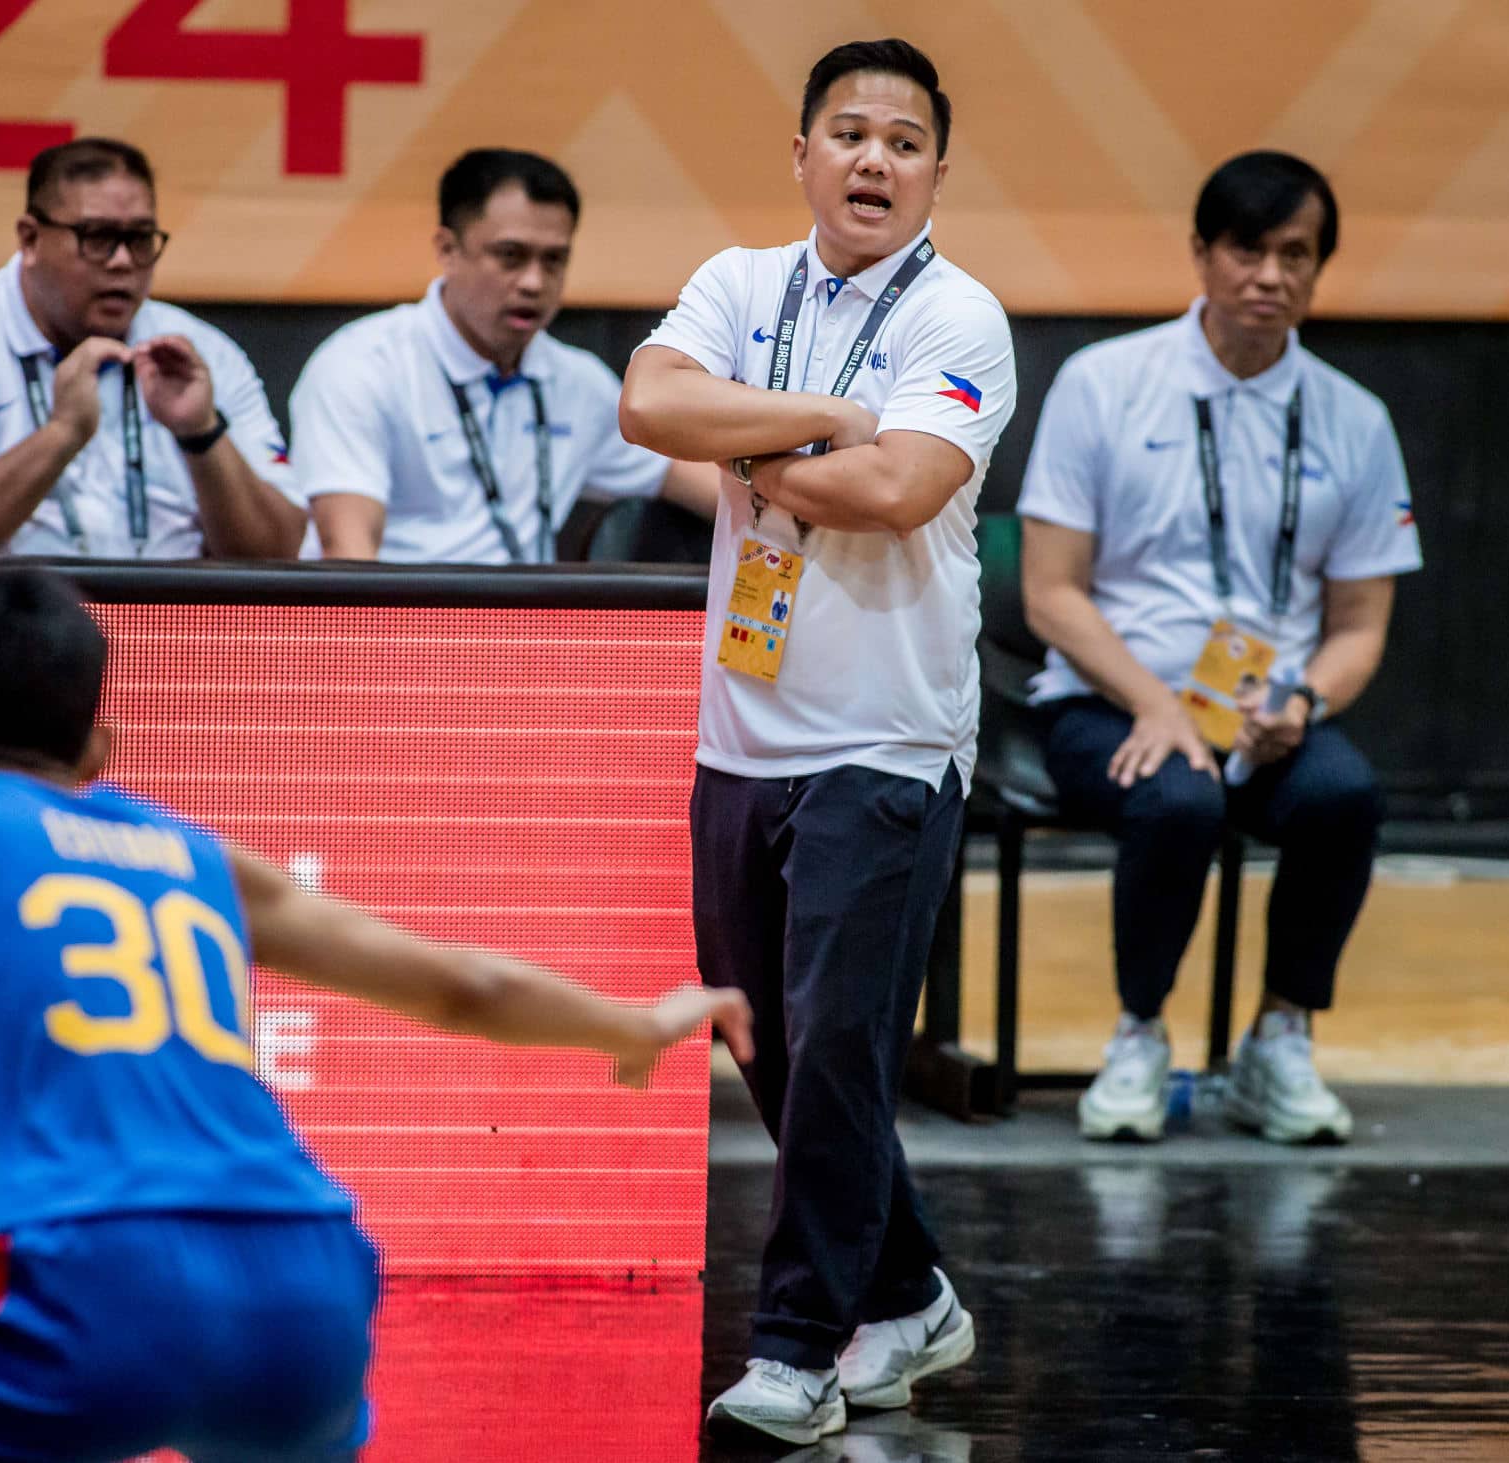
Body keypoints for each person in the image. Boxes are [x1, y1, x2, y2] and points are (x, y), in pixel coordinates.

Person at [0, 564, 750, 1461]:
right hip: (308, 1278)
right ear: (102, 739)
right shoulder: (200, 854)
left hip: (87, 1280)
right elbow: (464, 985)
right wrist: (632, 1024)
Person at [620, 38, 1015, 1447]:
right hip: (745, 730)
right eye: (848, 132)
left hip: (889, 738)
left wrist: (746, 447)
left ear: (935, 174)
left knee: (842, 1046)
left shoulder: (961, 317)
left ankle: (802, 1344)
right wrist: (819, 419)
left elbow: (900, 486)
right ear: (801, 154)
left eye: (903, 141)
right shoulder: (737, 283)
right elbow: (648, 403)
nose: (873, 159)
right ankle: (909, 1292)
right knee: (768, 1039)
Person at [1017, 150, 1422, 1146]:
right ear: (1199, 253)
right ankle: (1137, 1035)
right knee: (1176, 795)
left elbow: (1359, 626)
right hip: (1105, 699)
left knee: (1340, 796)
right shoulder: (1102, 383)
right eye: (1246, 248)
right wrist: (1153, 703)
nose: (1268, 276)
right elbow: (1049, 592)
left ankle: (1277, 1037)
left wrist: (1302, 705)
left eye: (1295, 254)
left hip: (1260, 716)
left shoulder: (1354, 421)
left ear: (1318, 269)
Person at [0, 138, 304, 560]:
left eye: (140, 239)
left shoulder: (203, 354)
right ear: (30, 239)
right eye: (98, 237)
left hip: (172, 629)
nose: (123, 261)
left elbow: (280, 553)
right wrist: (61, 435)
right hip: (3, 632)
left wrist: (202, 434)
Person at [289, 148, 717, 563]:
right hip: (396, 625)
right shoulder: (360, 366)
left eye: (554, 260)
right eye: (510, 256)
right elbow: (348, 557)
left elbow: (707, 486)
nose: (533, 282)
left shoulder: (577, 382)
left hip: (524, 628)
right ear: (447, 250)